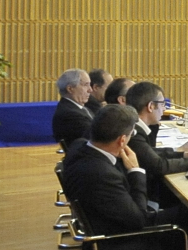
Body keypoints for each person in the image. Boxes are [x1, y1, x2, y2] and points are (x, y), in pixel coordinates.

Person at [60, 102, 168, 240]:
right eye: (131, 134)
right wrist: (135, 171)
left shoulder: (79, 145)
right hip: (124, 241)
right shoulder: (102, 174)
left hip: (109, 220)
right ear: (122, 140)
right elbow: (140, 220)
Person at [124, 82, 188, 218]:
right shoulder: (133, 132)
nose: (164, 109)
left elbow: (150, 151)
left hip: (144, 193)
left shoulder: (137, 128)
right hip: (145, 201)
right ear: (151, 106)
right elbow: (158, 165)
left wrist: (181, 154)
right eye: (163, 104)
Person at [53, 68, 94, 151]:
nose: (90, 90)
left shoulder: (78, 108)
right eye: (86, 85)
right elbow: (97, 139)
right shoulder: (70, 114)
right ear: (70, 89)